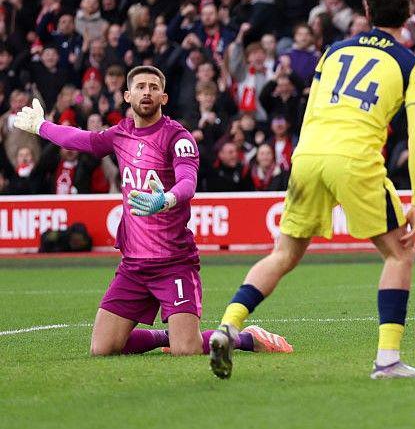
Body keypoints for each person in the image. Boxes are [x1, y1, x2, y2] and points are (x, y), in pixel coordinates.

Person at [208, 0, 415, 380]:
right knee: (400, 253)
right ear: (409, 13)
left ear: (365, 9)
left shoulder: (333, 52)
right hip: (354, 157)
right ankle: (388, 360)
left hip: (308, 154)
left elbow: (310, 111)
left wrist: (301, 157)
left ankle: (227, 325)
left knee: (283, 254)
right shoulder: (411, 63)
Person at [12, 65, 288, 356]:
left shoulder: (177, 137)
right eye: (141, 87)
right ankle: (164, 337)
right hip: (133, 265)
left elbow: (187, 182)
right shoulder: (120, 134)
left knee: (188, 350)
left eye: (154, 87)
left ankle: (246, 338)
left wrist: (167, 199)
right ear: (128, 95)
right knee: (102, 349)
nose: (147, 92)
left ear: (164, 97)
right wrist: (42, 127)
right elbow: (83, 140)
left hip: (174, 262)